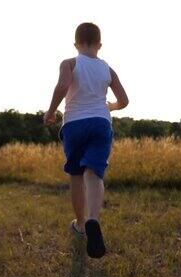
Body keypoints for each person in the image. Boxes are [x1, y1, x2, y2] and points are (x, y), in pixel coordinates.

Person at [43, 22, 129, 258]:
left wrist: (50, 112)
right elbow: (124, 100)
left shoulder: (70, 63)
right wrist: (109, 106)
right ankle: (93, 219)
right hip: (101, 123)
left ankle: (81, 225)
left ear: (76, 44)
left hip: (74, 124)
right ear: (99, 45)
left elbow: (62, 86)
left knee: (77, 175)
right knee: (94, 173)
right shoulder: (107, 69)